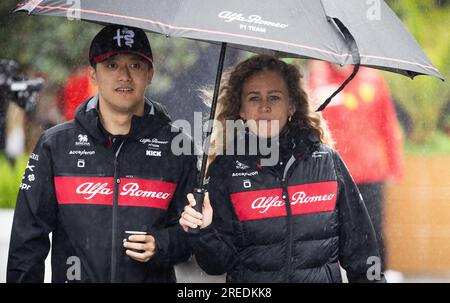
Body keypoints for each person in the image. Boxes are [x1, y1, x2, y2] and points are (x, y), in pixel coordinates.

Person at [7, 24, 196, 283]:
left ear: (150, 73)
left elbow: (195, 236)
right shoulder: (55, 144)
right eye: (111, 65)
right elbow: (26, 242)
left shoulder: (179, 146)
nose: (124, 76)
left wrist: (161, 244)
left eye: (135, 65)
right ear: (92, 74)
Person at [179, 55, 386, 283]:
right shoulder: (225, 170)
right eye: (254, 98)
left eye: (274, 97)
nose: (264, 107)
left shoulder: (327, 162)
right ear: (241, 110)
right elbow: (216, 265)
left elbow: (362, 254)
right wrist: (205, 230)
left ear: (292, 106)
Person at [307, 61, 404, 272]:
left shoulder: (373, 79)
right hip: (333, 174)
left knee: (372, 230)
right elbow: (311, 127)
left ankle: (379, 273)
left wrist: (394, 167)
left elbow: (387, 123)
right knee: (331, 232)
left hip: (370, 173)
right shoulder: (317, 79)